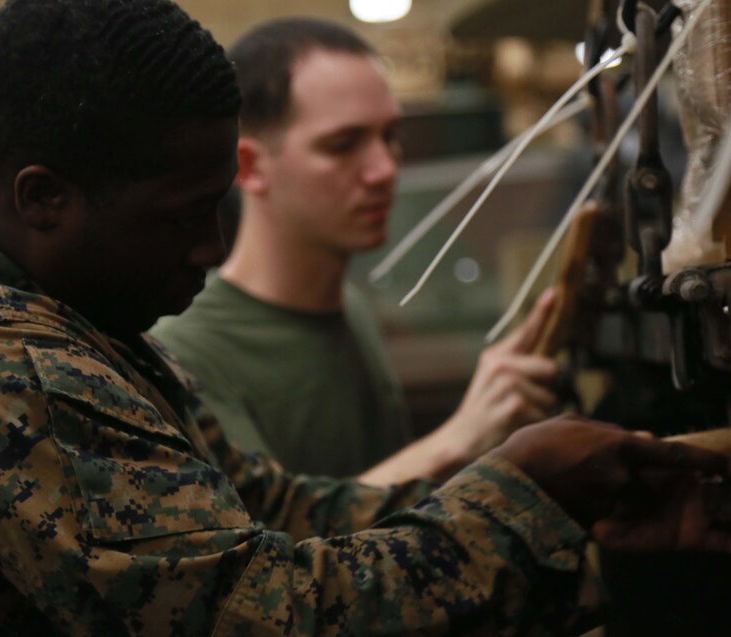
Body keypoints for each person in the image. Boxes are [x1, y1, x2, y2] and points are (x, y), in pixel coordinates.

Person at [0, 1, 731, 637]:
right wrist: (517, 521)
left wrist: (542, 493)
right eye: (181, 214)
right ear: (43, 197)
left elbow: (278, 517)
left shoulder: (78, 329)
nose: (206, 248)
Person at [153, 17, 562, 484]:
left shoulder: (350, 308)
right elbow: (267, 547)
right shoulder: (187, 353)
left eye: (390, 137)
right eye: (343, 145)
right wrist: (461, 436)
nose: (384, 169)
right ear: (248, 167)